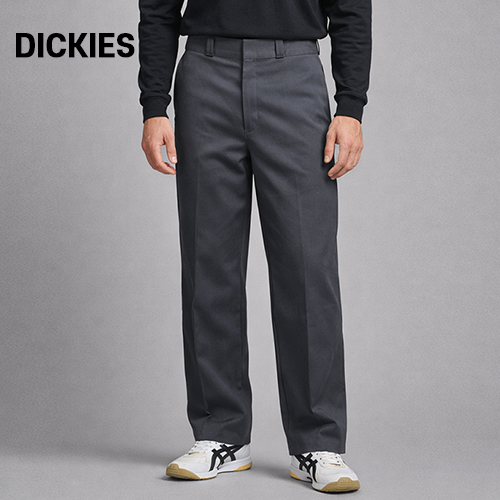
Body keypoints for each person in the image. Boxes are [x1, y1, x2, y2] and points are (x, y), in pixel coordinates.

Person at [138, 0, 371, 493]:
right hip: (205, 74)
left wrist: (351, 106)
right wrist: (154, 104)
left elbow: (351, 7)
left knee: (307, 270)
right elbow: (157, 7)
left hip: (295, 75)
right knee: (208, 265)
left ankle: (317, 443)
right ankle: (220, 434)